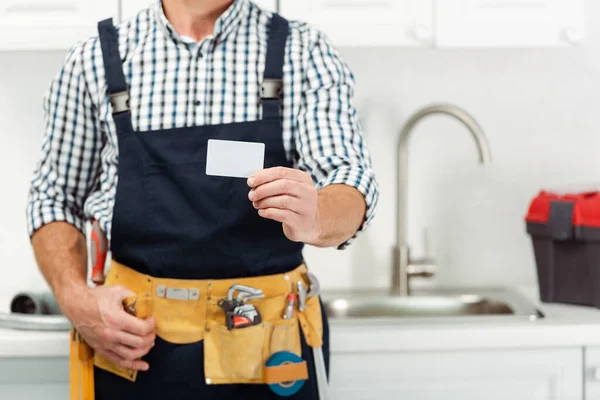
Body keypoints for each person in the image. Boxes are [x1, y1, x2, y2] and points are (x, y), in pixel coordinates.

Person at [26, 0, 378, 398]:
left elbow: (351, 183)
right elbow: (54, 198)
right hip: (133, 351)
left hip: (269, 354)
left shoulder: (304, 51)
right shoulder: (95, 59)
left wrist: (317, 214)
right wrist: (76, 300)